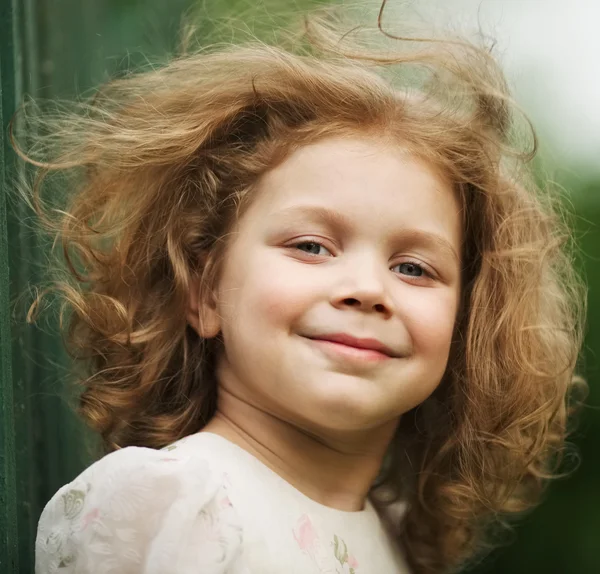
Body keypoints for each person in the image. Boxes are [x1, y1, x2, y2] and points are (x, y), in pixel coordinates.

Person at [17, 1, 585, 573]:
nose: (367, 289)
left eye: (413, 268)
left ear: (469, 324)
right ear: (204, 293)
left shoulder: (394, 539)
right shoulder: (176, 502)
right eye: (311, 246)